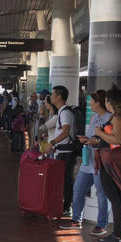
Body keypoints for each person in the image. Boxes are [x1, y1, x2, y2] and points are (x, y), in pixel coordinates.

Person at [89, 86, 121, 242]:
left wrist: (99, 133)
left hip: (113, 162)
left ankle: (118, 236)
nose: (105, 102)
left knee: (115, 199)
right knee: (115, 198)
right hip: (111, 160)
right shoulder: (117, 118)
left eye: (106, 99)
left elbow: (116, 140)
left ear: (110, 102)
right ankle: (117, 233)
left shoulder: (119, 119)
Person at [71, 90, 111, 235]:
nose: (90, 103)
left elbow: (109, 140)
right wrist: (86, 140)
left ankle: (102, 224)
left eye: (92, 101)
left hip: (100, 162)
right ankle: (76, 219)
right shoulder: (94, 116)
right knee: (78, 189)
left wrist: (93, 140)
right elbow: (91, 136)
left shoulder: (110, 119)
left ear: (99, 102)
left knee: (101, 193)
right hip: (88, 161)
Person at [45, 85, 79, 218]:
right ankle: (64, 206)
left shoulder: (65, 113)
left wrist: (52, 143)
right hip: (63, 152)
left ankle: (66, 208)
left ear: (59, 97)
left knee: (66, 181)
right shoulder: (62, 112)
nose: (51, 97)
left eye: (53, 94)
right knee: (63, 180)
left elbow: (65, 132)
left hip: (66, 153)